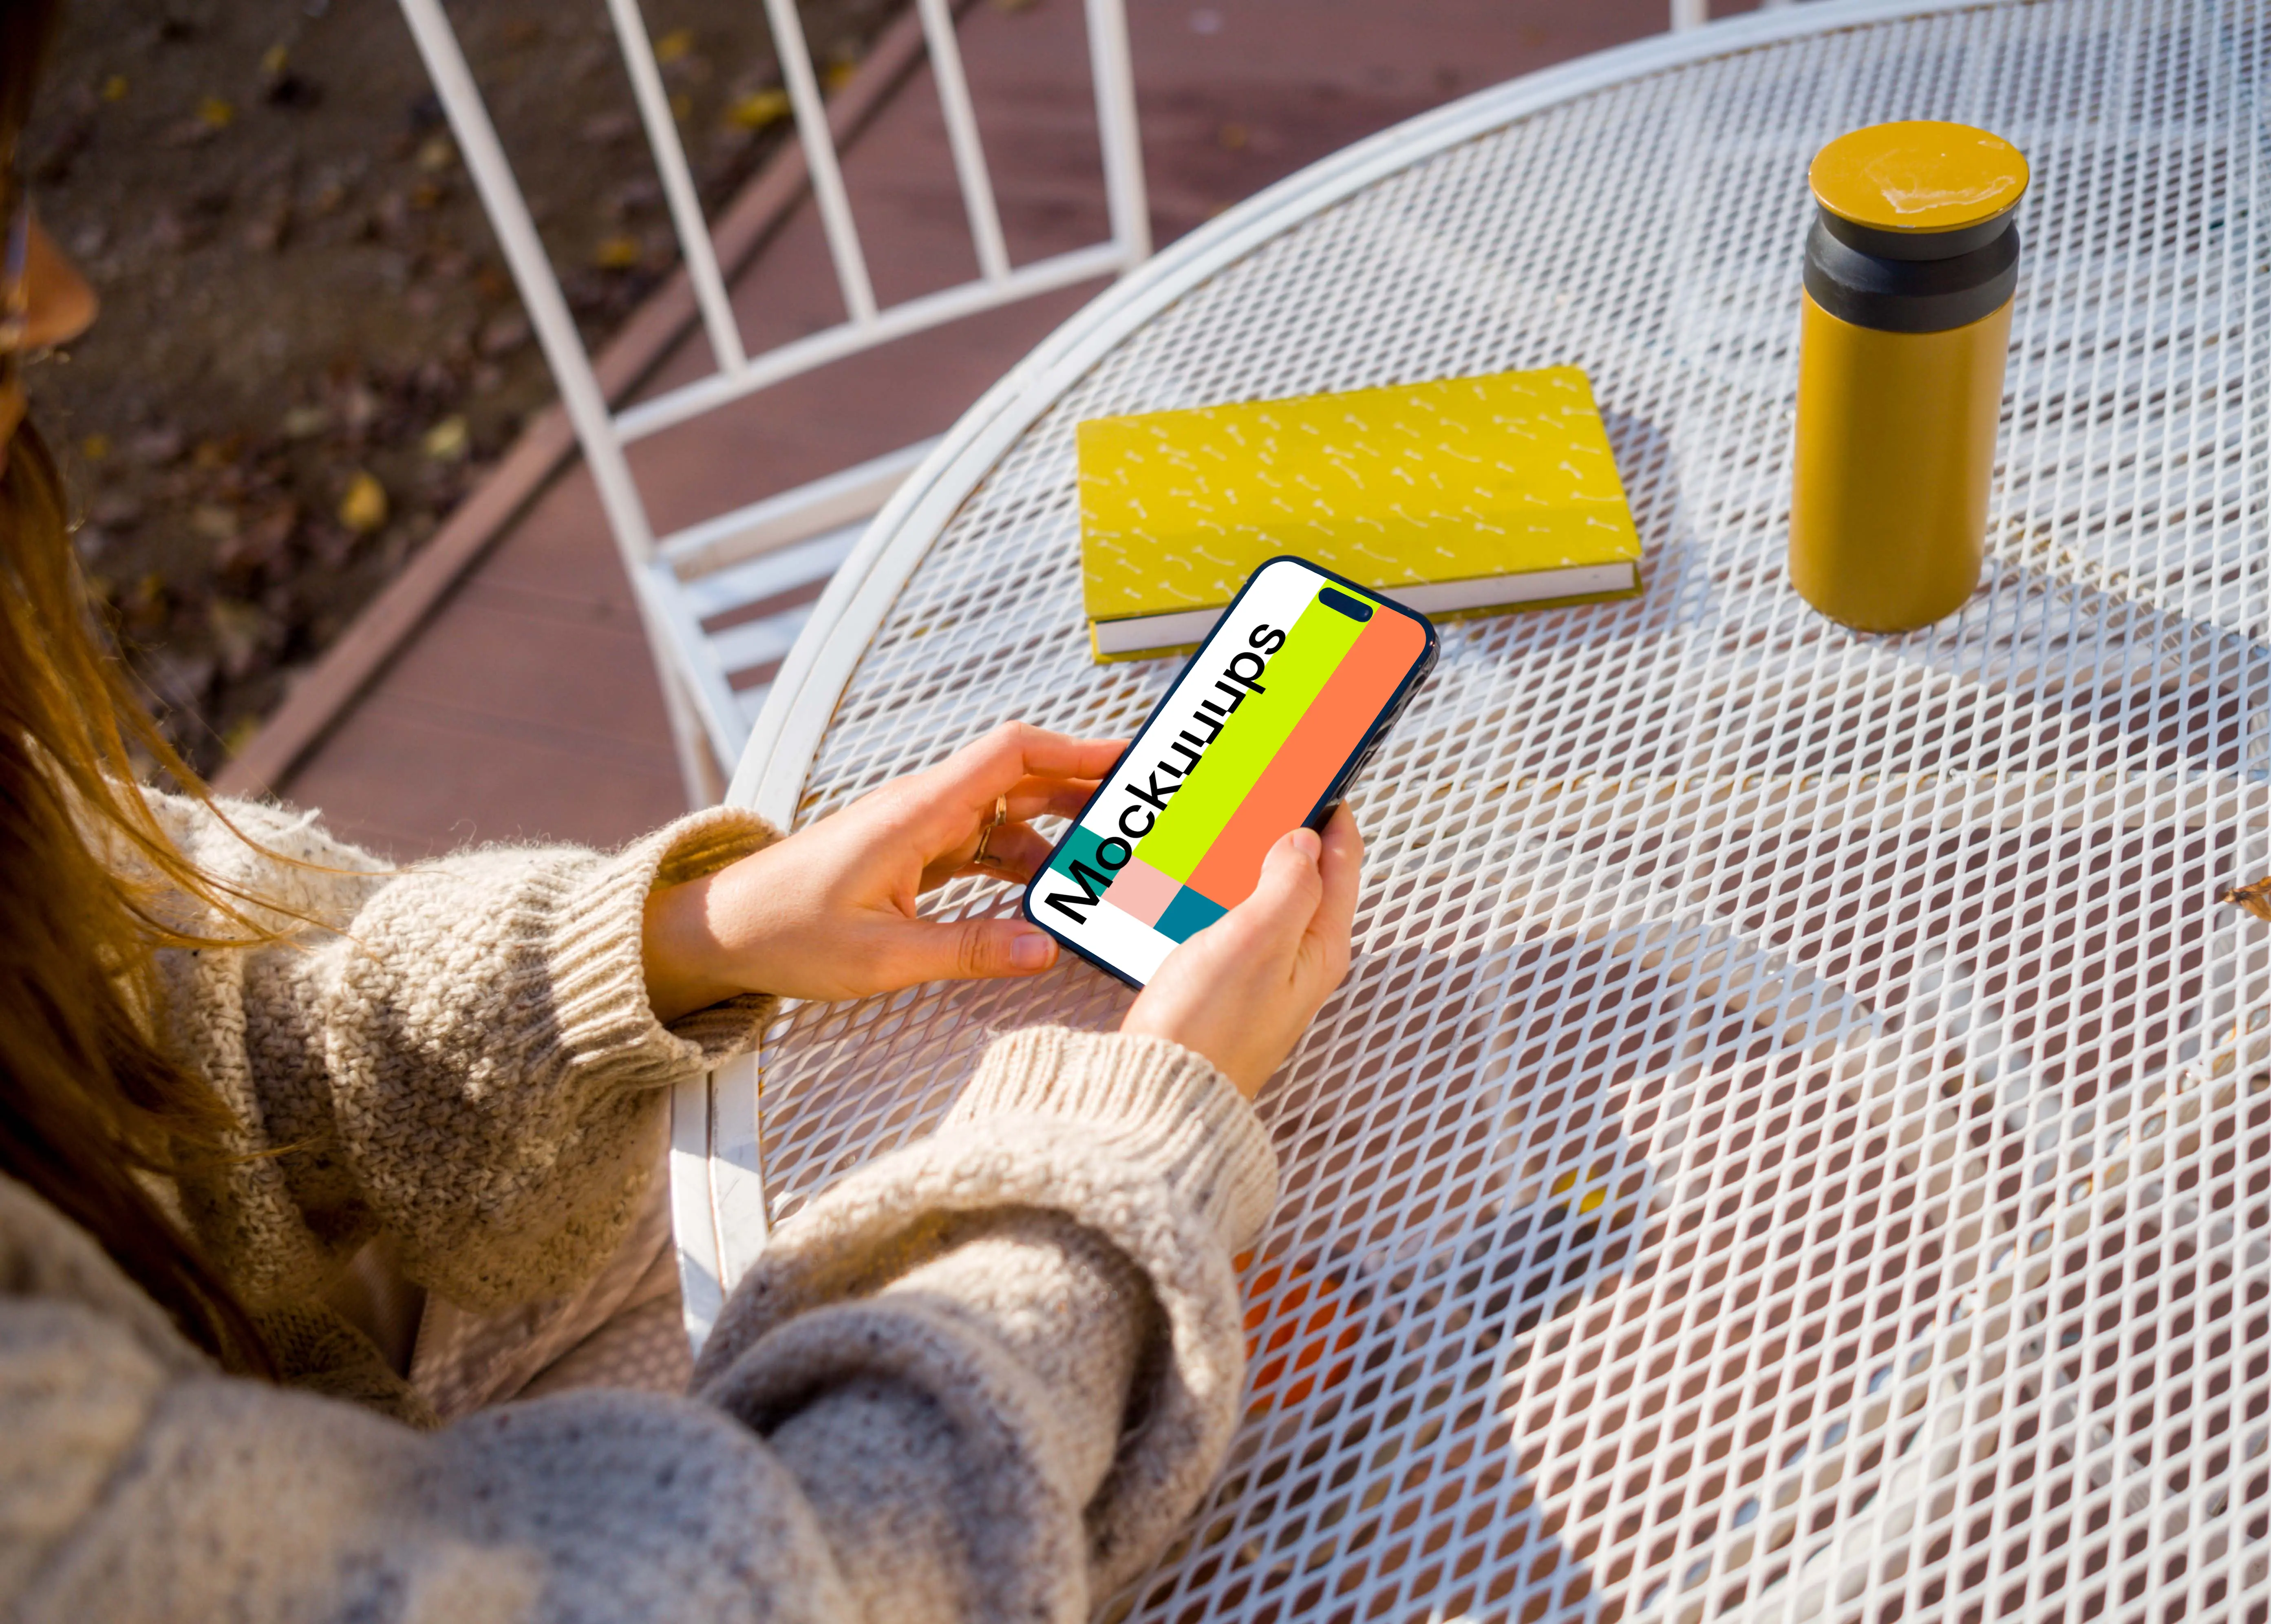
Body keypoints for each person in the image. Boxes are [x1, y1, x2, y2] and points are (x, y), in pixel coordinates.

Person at [0, 2, 1364, 1615]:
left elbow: (180, 1061)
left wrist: (669, 940)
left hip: (478, 1388)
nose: (63, 298)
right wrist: (1120, 1164)